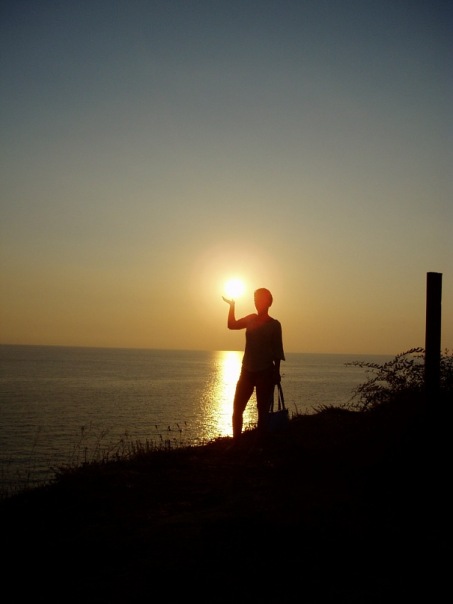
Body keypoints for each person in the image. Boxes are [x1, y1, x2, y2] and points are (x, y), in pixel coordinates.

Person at [222, 287, 285, 441]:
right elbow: (232, 325)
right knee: (237, 409)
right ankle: (236, 443)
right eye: (255, 300)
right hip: (247, 371)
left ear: (269, 303)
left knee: (262, 412)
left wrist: (276, 372)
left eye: (260, 300)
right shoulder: (251, 319)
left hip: (265, 372)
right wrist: (232, 306)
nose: (257, 303)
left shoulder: (274, 325)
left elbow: (277, 351)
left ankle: (260, 444)